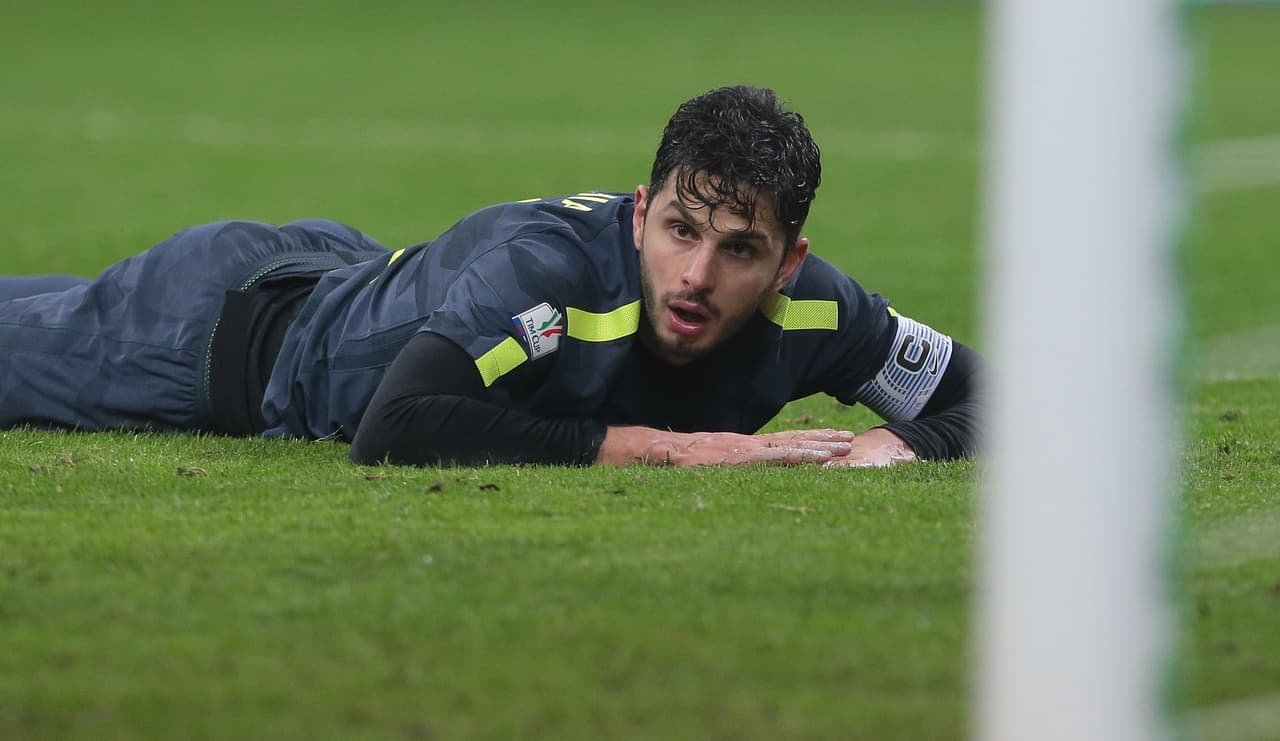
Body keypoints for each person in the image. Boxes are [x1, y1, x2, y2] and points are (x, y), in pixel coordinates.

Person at [0, 85, 980, 468]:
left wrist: (899, 444)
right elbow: (397, 427)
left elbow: (1003, 404)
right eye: (678, 230)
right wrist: (677, 449)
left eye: (738, 251)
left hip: (348, 277)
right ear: (640, 212)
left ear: (786, 263)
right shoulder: (549, 272)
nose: (695, 273)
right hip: (217, 340)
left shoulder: (820, 310)